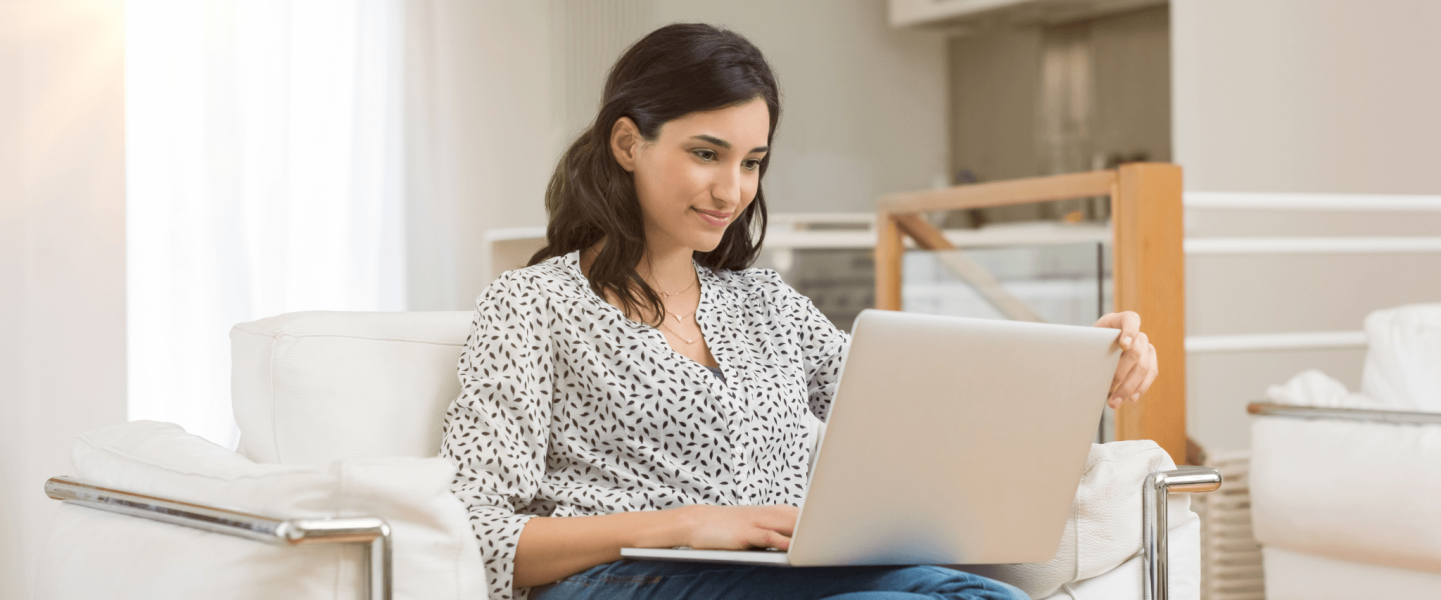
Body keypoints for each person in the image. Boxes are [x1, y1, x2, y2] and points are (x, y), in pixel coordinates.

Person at [440, 23, 1158, 600]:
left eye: (752, 161)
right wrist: (691, 526)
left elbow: (926, 406)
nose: (731, 189)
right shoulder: (531, 304)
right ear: (628, 144)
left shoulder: (766, 305)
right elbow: (480, 529)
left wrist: (1085, 363)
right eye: (705, 153)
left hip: (793, 578)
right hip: (622, 580)